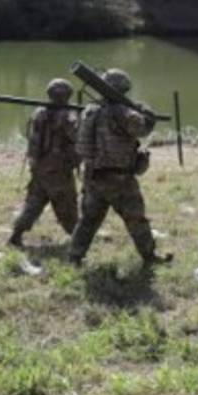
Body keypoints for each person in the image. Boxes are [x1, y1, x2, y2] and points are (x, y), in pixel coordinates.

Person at [69, 69, 171, 267]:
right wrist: (147, 113)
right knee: (136, 219)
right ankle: (149, 256)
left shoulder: (90, 111)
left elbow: (78, 138)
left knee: (88, 220)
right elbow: (143, 129)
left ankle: (75, 257)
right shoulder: (123, 112)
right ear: (123, 89)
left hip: (92, 175)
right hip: (119, 179)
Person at [9, 78, 80, 248]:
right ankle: (77, 237)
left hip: (39, 165)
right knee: (66, 203)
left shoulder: (39, 112)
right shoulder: (67, 116)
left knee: (34, 201)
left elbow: (32, 138)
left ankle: (16, 234)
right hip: (59, 167)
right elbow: (76, 136)